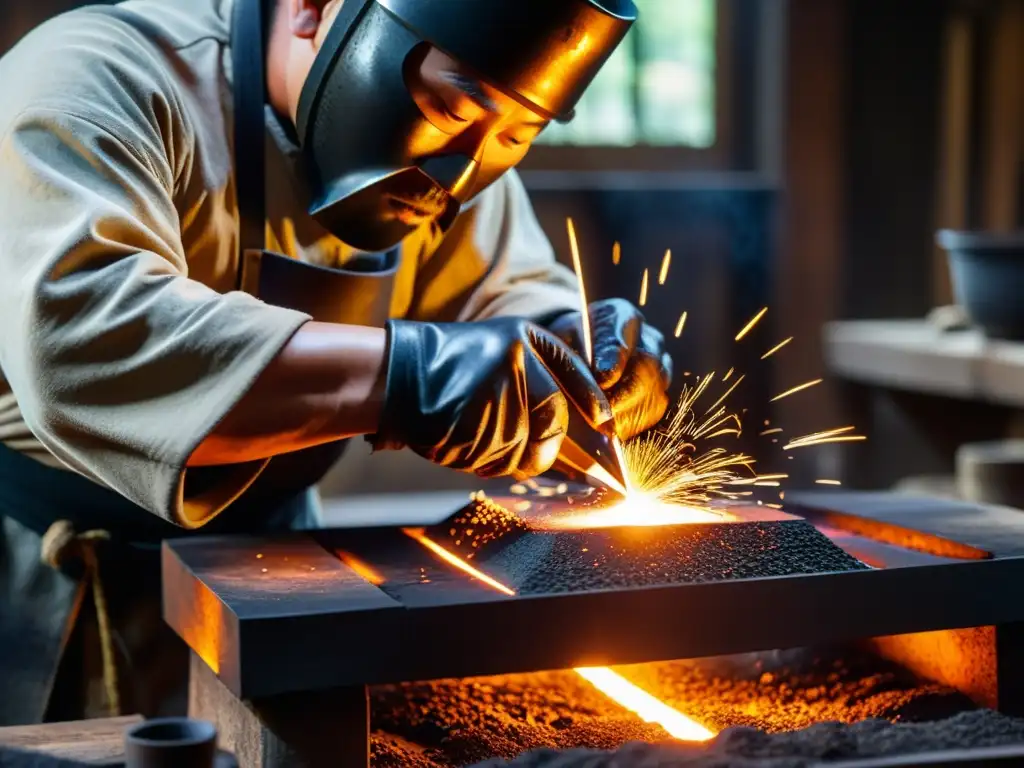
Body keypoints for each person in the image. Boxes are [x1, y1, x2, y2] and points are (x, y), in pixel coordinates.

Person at [0, 0, 673, 724]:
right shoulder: (98, 76)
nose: (464, 170)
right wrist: (407, 377)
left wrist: (571, 350)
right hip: (48, 581)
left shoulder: (464, 148)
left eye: (519, 133)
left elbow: (506, 292)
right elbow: (82, 340)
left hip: (277, 576)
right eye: (448, 107)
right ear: (314, 10)